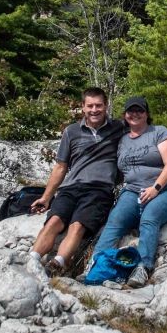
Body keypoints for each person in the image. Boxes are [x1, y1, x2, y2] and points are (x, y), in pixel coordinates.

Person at [92, 96, 167, 288]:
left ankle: (144, 266)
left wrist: (155, 188)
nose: (134, 114)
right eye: (130, 111)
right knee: (115, 220)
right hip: (133, 190)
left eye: (140, 110)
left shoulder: (159, 132)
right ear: (125, 115)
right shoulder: (123, 140)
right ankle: (97, 265)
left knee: (149, 218)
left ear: (147, 114)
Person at [29, 87, 124, 274]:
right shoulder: (71, 131)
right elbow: (60, 167)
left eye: (99, 105)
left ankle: (58, 264)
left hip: (100, 189)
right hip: (70, 188)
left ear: (106, 106)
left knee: (78, 224)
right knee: (54, 221)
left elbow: (140, 129)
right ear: (83, 107)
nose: (94, 110)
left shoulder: (118, 129)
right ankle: (32, 260)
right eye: (90, 106)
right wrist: (46, 197)